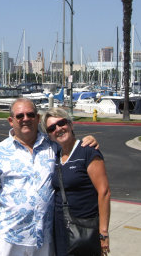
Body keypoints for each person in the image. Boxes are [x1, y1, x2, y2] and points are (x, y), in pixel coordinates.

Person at [0, 98, 99, 256]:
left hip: (45, 237)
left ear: (37, 118)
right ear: (11, 120)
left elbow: (72, 146)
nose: (26, 119)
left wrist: (88, 140)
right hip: (10, 238)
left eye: (30, 114)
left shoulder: (53, 146)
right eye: (20, 116)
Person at [41, 107, 111, 256]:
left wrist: (103, 232)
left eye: (62, 123)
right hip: (60, 229)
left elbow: (104, 192)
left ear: (71, 125)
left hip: (84, 228)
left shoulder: (88, 151)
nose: (58, 129)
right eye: (52, 128)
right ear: (49, 135)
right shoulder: (56, 155)